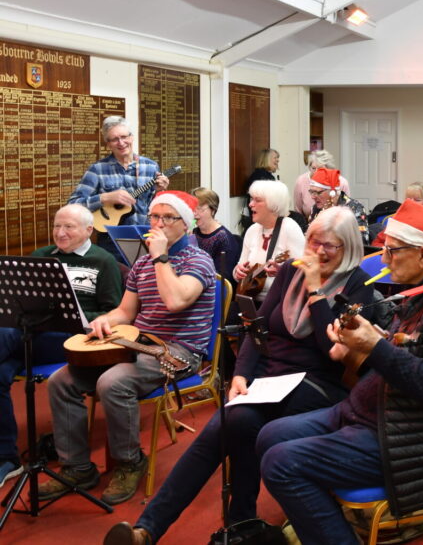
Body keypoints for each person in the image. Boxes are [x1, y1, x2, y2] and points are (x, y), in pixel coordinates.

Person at [103, 207, 381, 545]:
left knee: (234, 422)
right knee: (235, 421)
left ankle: (161, 528)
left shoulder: (357, 284)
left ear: (348, 247)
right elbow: (257, 327)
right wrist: (240, 375)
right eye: (314, 242)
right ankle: (178, 527)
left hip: (320, 382)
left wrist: (315, 292)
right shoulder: (292, 271)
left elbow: (331, 349)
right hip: (271, 377)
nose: (319, 251)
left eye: (330, 246)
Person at [254, 200, 423, 545]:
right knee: (270, 435)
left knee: (282, 463)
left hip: (418, 440)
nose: (383, 259)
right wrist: (357, 351)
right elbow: (406, 355)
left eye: (392, 251)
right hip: (379, 414)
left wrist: (374, 346)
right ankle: (324, 523)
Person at [42, 191, 217, 505]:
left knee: (113, 382)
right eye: (154, 217)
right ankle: (77, 467)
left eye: (168, 218)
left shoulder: (198, 260)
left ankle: (130, 461)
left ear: (185, 225)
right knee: (61, 381)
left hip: (179, 351)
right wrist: (104, 320)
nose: (158, 224)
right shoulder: (143, 263)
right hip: (137, 343)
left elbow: (175, 300)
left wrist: (160, 258)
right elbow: (125, 312)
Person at [0, 204, 124, 487]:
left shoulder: (103, 261)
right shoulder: (41, 256)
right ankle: (7, 458)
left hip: (72, 338)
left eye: (69, 226)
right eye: (57, 226)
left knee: (6, 333)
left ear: (89, 230)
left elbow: (112, 312)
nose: (60, 232)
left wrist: (71, 315)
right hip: (30, 336)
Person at [68, 116, 169, 256]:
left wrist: (159, 192)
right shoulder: (97, 169)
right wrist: (105, 198)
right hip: (111, 244)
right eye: (114, 139)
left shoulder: (150, 166)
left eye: (124, 137)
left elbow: (153, 207)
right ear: (108, 144)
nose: (121, 143)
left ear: (132, 137)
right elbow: (72, 205)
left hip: (145, 238)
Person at [233, 180, 306, 303]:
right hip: (250, 300)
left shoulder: (289, 228)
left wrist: (283, 272)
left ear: (273, 205)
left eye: (257, 200)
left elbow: (303, 272)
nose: (250, 204)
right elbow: (241, 266)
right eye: (251, 199)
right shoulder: (252, 230)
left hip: (279, 302)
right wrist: (237, 272)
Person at [190, 187, 240, 284]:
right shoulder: (193, 233)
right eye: (192, 208)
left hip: (212, 288)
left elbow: (223, 278)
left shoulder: (224, 238)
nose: (194, 213)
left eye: (199, 209)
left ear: (213, 210)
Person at [308, 168, 369, 243]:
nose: (313, 197)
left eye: (318, 193)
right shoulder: (316, 209)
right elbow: (309, 238)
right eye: (311, 192)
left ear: (332, 192)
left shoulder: (354, 208)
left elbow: (362, 242)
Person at [294, 150, 348, 220]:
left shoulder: (342, 183)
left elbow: (346, 210)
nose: (316, 173)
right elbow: (298, 213)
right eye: (313, 168)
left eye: (320, 169)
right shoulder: (301, 181)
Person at [239, 148, 280, 231]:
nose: (277, 160)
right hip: (261, 221)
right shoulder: (263, 177)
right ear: (267, 159)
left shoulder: (257, 175)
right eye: (275, 158)